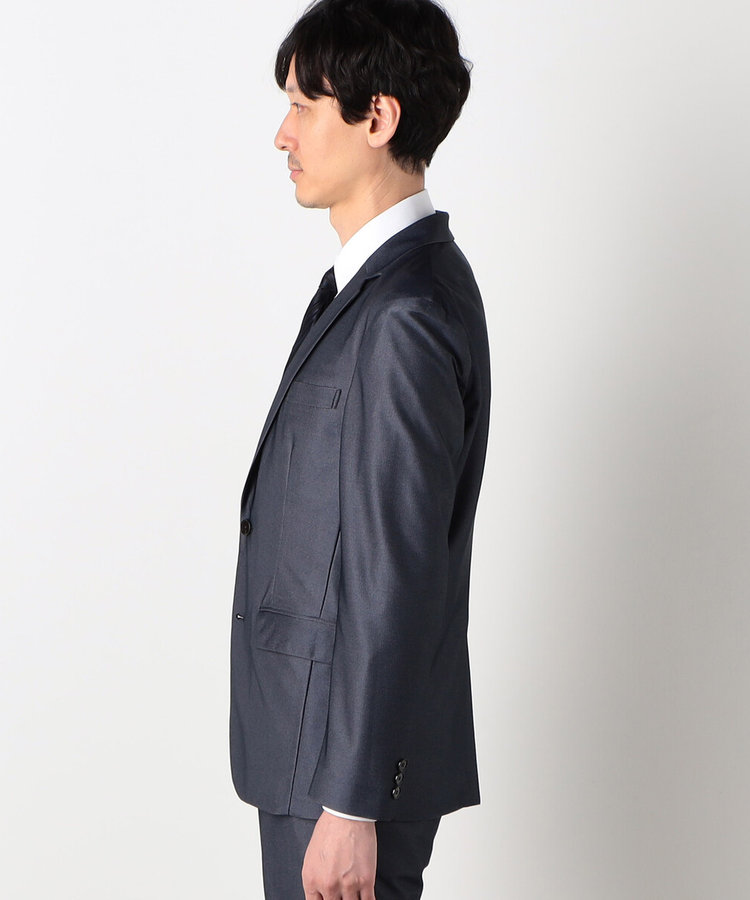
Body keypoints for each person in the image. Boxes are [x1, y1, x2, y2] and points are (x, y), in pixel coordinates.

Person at [229, 1, 491, 897]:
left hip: (339, 771)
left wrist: (350, 802)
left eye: (303, 105)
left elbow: (397, 573)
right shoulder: (377, 289)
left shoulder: (405, 312)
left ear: (377, 117)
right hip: (317, 751)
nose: (283, 133)